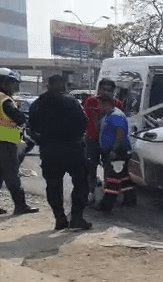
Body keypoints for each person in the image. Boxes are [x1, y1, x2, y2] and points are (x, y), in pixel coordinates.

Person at [28, 75, 92, 230]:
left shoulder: (37, 104)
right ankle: (76, 218)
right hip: (72, 149)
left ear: (48, 85)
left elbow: (31, 128)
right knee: (81, 182)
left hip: (49, 151)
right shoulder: (70, 101)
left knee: (53, 185)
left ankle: (60, 219)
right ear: (63, 85)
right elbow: (84, 121)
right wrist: (76, 137)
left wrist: (42, 140)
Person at [0, 68, 39, 216]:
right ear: (4, 82)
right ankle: (20, 206)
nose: (15, 87)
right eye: (12, 83)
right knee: (12, 174)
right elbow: (19, 118)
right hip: (5, 142)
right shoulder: (4, 100)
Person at [83, 79, 123, 204]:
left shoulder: (118, 104)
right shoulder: (91, 102)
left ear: (113, 92)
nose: (106, 92)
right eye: (103, 89)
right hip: (92, 139)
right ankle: (90, 192)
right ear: (99, 89)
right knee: (90, 167)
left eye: (109, 90)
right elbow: (95, 124)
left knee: (109, 168)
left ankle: (107, 194)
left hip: (109, 142)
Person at [95, 95, 135, 212]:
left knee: (113, 178)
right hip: (113, 150)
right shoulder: (108, 115)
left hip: (118, 151)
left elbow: (120, 133)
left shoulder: (116, 116)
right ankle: (130, 199)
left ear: (106, 104)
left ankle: (106, 205)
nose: (98, 107)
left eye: (99, 104)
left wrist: (114, 149)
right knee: (123, 176)